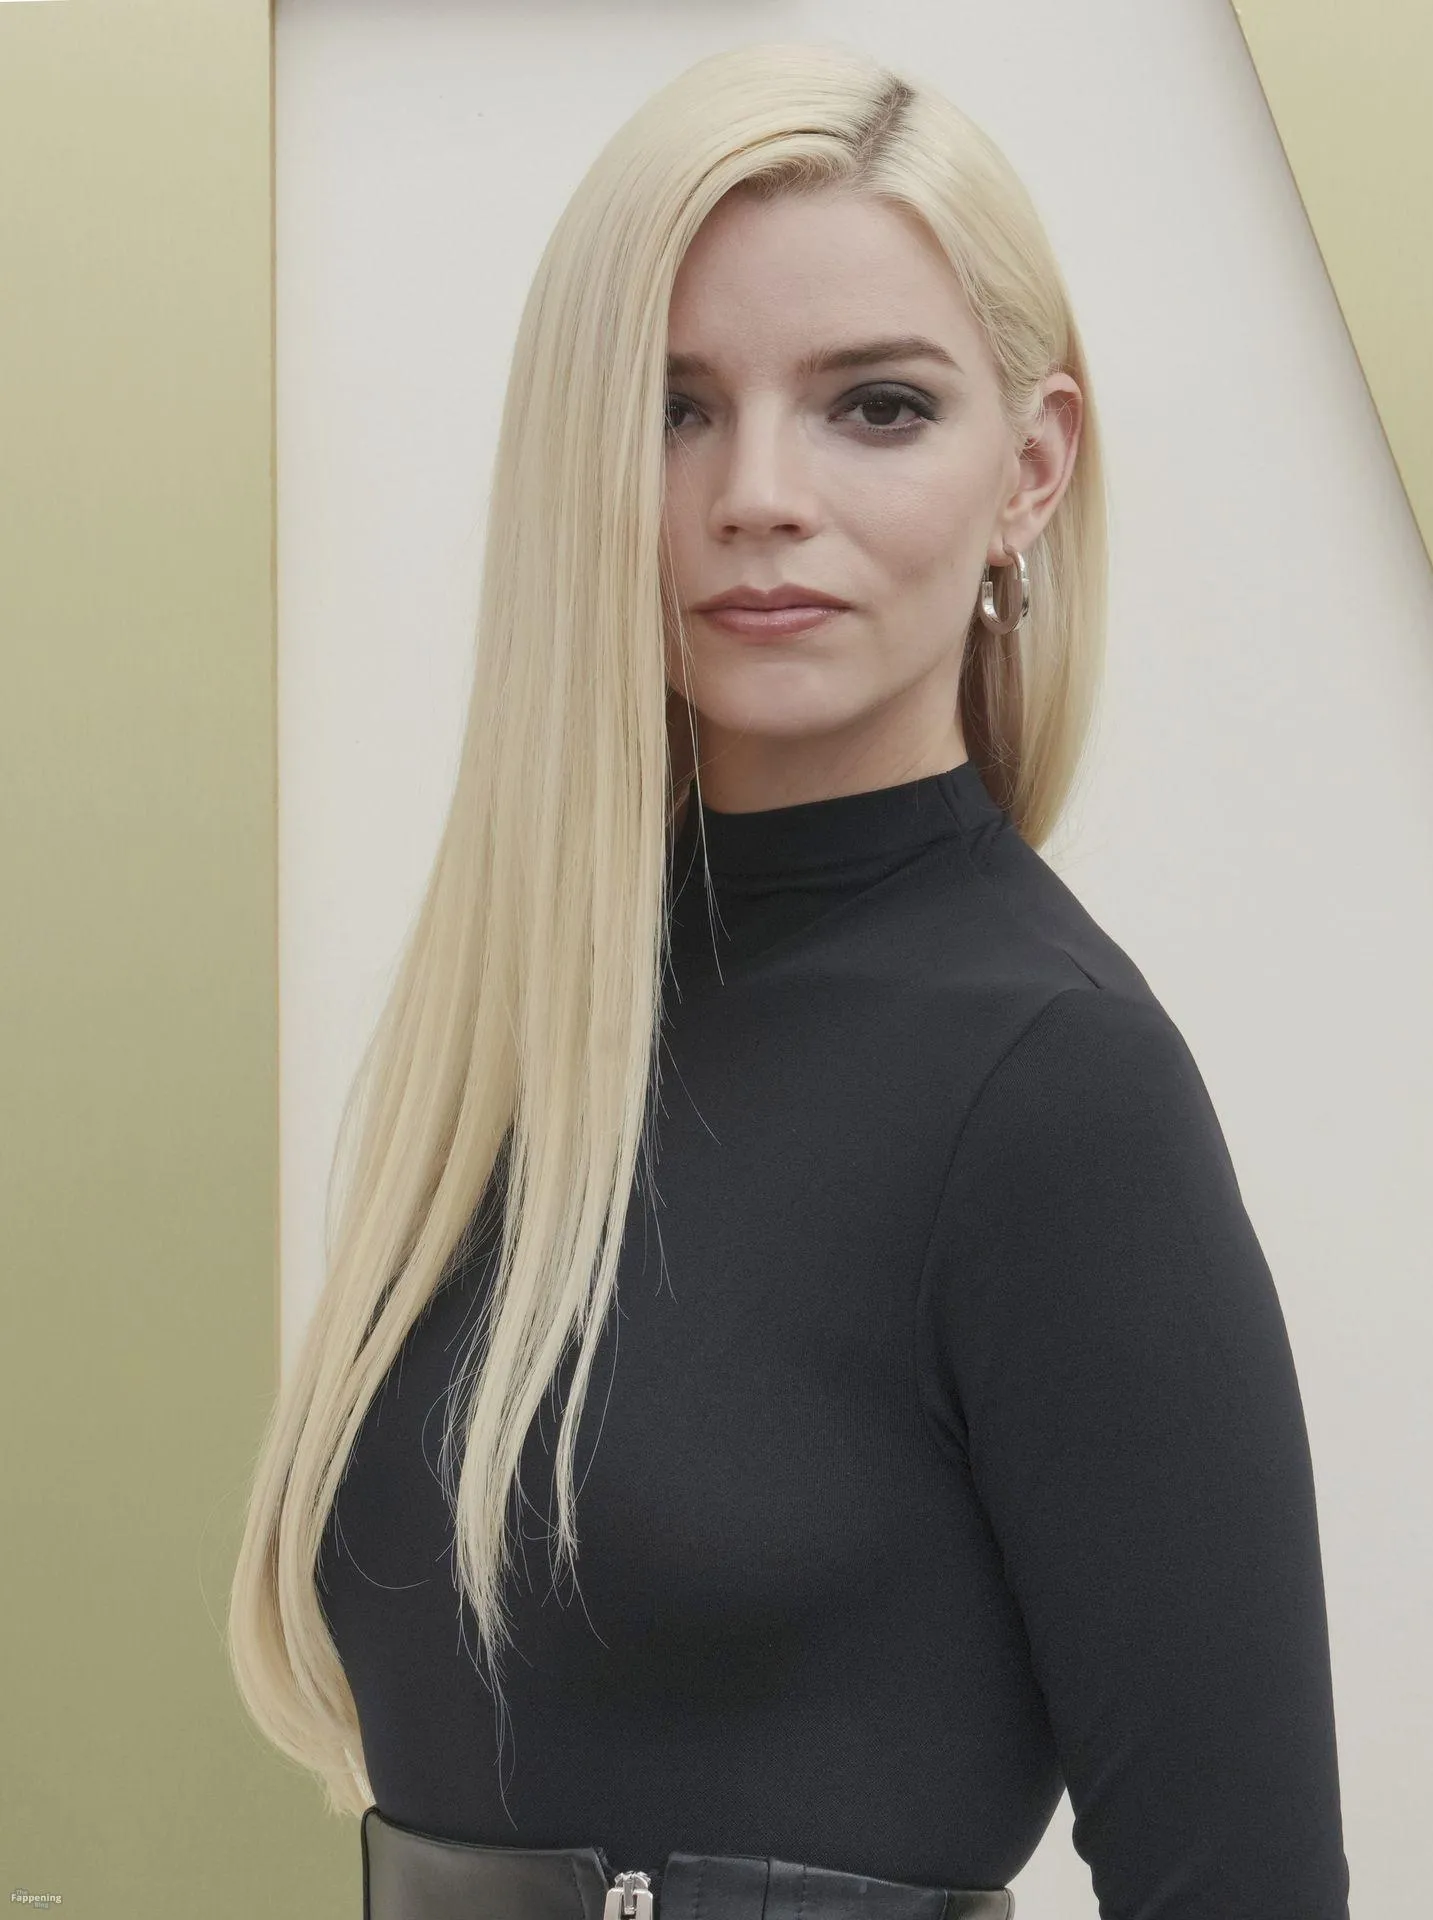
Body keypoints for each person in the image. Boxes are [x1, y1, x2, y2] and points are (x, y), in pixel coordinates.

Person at [227, 40, 1352, 1920]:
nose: (757, 492)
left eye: (876, 407)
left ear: (1031, 469)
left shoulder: (1056, 1092)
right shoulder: (514, 1037)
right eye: (673, 407)